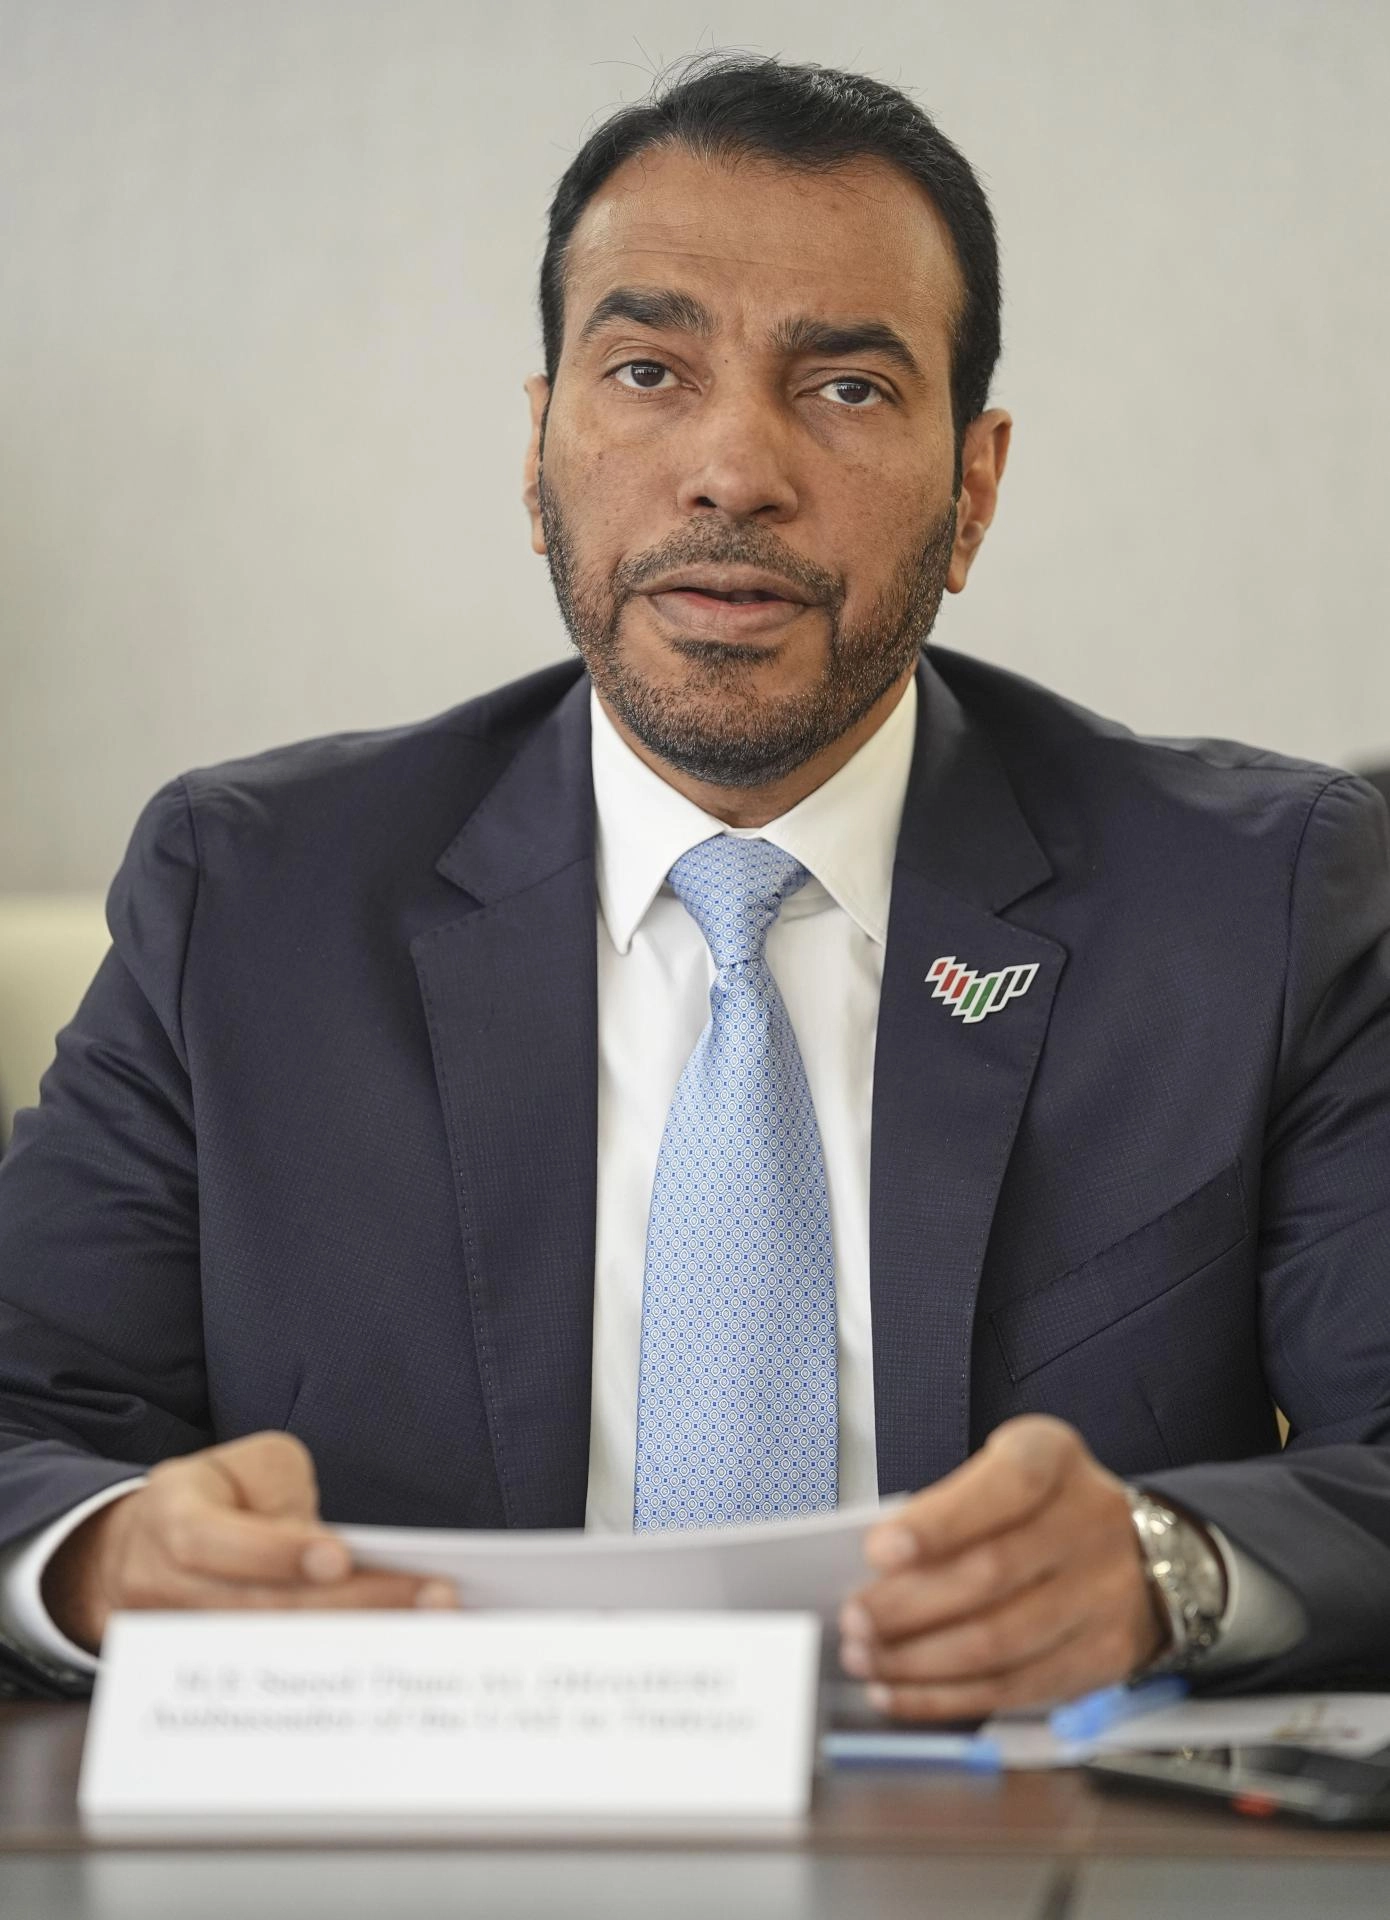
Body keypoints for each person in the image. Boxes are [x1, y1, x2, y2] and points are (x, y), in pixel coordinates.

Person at [1, 53, 1387, 1719]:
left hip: (1011, 1823)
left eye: (848, 388)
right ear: (537, 454)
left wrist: (1169, 1571)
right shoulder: (250, 899)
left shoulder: (1257, 901)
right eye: (649, 370)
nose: (733, 469)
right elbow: (25, 1413)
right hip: (419, 1820)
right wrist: (101, 1560)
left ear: (973, 490)